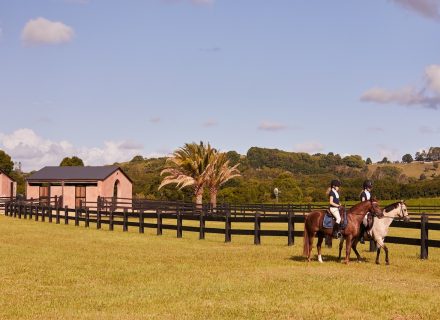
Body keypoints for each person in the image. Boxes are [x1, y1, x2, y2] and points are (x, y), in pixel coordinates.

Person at [359, 180, 373, 244]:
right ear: (366, 187)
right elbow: (363, 204)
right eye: (369, 187)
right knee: (364, 223)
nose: (370, 188)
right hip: (363, 211)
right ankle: (361, 236)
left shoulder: (369, 193)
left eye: (370, 187)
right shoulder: (363, 194)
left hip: (369, 210)